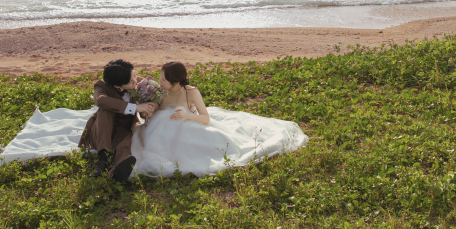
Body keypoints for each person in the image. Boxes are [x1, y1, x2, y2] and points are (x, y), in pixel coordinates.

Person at [130, 61, 308, 179]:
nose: (159, 82)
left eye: (163, 80)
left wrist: (186, 116)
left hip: (189, 122)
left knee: (214, 141)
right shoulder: (159, 91)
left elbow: (205, 118)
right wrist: (150, 109)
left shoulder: (191, 92)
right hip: (160, 127)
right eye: (159, 78)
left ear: (176, 83)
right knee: (149, 143)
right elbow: (157, 105)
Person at [79, 59, 158, 181]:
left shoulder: (138, 83)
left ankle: (119, 169)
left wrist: (146, 111)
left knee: (125, 143)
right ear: (116, 85)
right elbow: (100, 100)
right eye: (131, 80)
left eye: (135, 75)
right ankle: (102, 159)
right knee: (105, 111)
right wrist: (135, 107)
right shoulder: (101, 86)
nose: (135, 81)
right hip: (101, 129)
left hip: (124, 127)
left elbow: (151, 101)